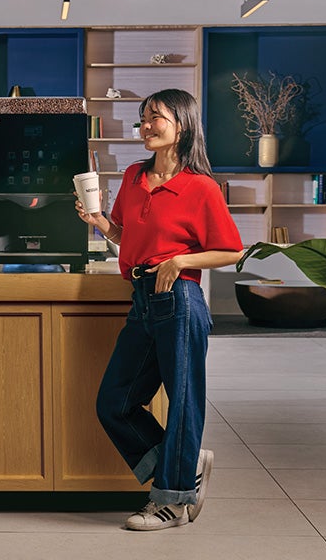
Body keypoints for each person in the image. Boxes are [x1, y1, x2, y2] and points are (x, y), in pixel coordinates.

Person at [75, 88, 243, 531]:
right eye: (143, 118)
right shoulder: (133, 177)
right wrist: (101, 225)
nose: (146, 125)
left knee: (184, 402)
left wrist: (180, 260)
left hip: (180, 300)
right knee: (115, 402)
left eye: (157, 117)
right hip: (142, 300)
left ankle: (171, 503)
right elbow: (126, 235)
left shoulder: (200, 186)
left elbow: (231, 251)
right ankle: (183, 474)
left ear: (182, 125)